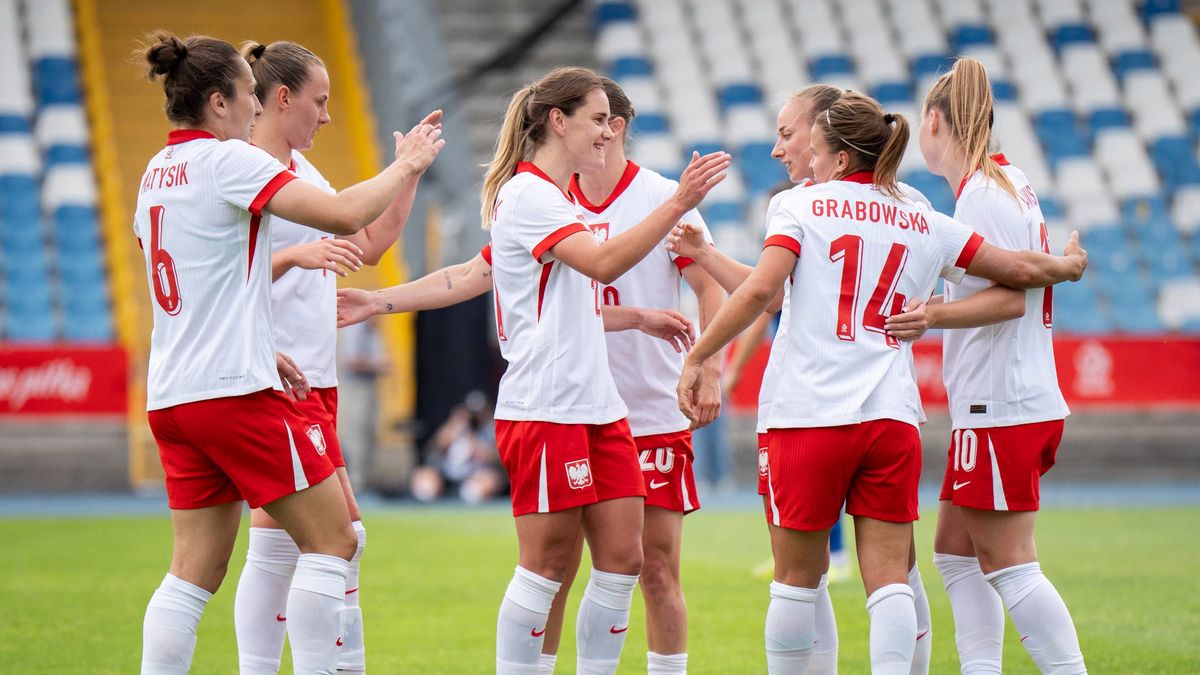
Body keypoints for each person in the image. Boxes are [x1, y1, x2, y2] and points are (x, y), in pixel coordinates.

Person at [673, 91, 1087, 674]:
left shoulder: (798, 204)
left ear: (839, 156)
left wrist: (699, 355)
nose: (800, 158)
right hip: (891, 418)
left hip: (807, 416)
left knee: (796, 582)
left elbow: (766, 291)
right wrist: (1066, 267)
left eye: (807, 146)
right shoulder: (919, 209)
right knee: (891, 581)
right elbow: (1015, 269)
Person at [133, 32, 443, 675]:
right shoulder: (229, 160)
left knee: (193, 574)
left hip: (174, 393)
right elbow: (343, 216)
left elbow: (200, 279)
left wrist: (252, 338)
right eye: (248, 93)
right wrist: (407, 164)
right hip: (232, 391)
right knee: (335, 541)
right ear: (218, 101)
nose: (254, 107)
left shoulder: (155, 173)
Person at [228, 40, 437, 675]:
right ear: (281, 98)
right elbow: (216, 275)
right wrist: (296, 255)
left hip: (313, 376)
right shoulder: (241, 166)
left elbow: (368, 243)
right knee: (339, 537)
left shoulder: (302, 171)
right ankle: (335, 666)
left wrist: (409, 174)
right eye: (318, 102)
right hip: (275, 374)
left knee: (286, 543)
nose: (326, 115)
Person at [882, 57, 1087, 674]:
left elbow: (1009, 297)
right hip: (1007, 400)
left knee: (1011, 564)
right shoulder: (1008, 180)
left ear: (935, 121)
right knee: (955, 553)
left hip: (1001, 403)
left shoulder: (982, 196)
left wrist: (931, 315)